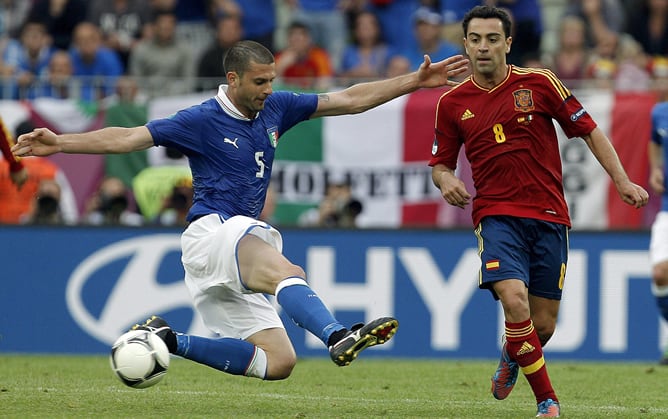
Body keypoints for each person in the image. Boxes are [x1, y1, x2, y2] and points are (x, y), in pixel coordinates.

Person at [12, 40, 468, 381]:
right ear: (233, 79)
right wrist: (61, 142)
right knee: (285, 269)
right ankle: (335, 335)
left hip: (230, 245)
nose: (269, 89)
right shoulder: (199, 119)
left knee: (279, 363)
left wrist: (414, 81)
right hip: (213, 232)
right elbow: (127, 138)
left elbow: (348, 100)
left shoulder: (278, 107)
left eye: (271, 80)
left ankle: (167, 339)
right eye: (259, 82)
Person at [428, 6, 648, 418]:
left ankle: (512, 354)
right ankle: (548, 401)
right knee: (514, 301)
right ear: (465, 44)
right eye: (475, 39)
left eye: (492, 39)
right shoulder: (452, 103)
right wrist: (446, 181)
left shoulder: (540, 82)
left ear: (508, 44)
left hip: (548, 215)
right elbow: (440, 164)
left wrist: (622, 181)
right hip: (496, 216)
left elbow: (589, 130)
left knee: (541, 327)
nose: (483, 47)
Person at [648, 74, 668, 365]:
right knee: (660, 273)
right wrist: (654, 168)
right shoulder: (660, 112)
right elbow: (654, 140)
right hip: (667, 206)